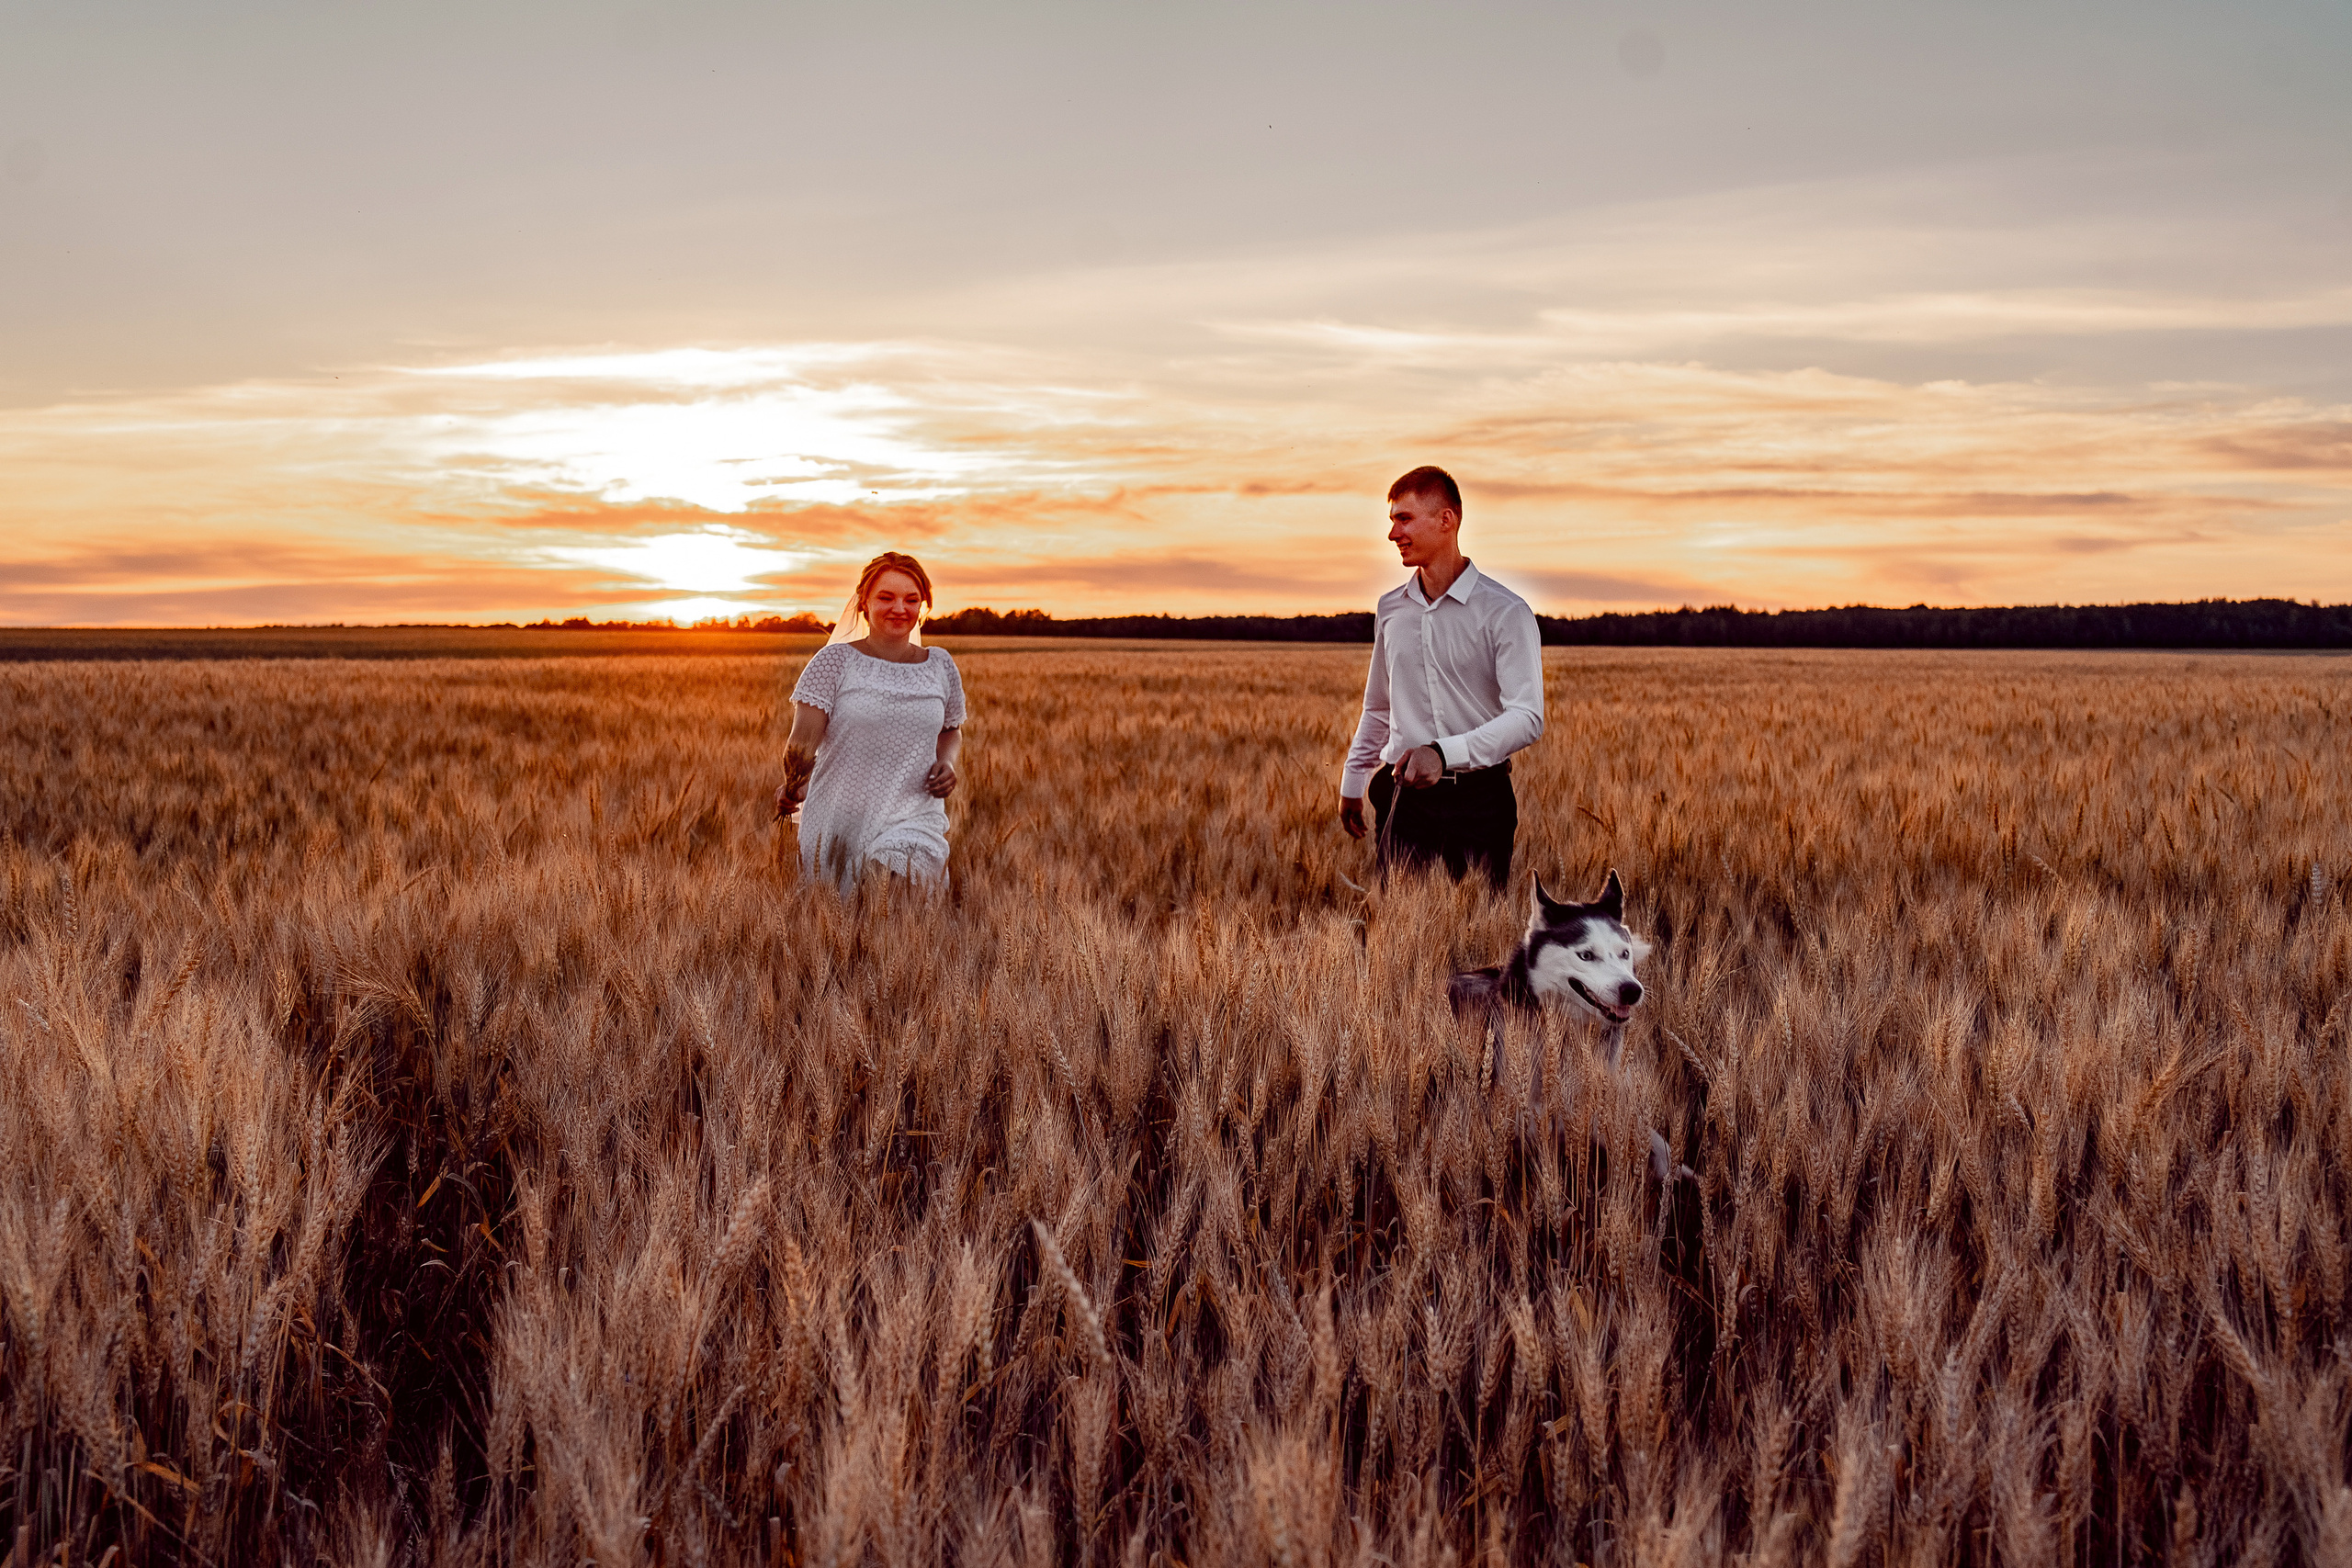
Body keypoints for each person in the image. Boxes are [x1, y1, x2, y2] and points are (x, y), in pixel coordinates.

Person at [1339, 467, 1544, 888]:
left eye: (1405, 518)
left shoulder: (1505, 612)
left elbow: (1527, 716)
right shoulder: (1391, 609)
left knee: (1477, 937)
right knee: (1398, 934)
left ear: (1446, 520)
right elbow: (1380, 705)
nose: (1393, 533)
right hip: (1405, 799)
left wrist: (1443, 753)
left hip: (1480, 801)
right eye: (1392, 520)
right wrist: (1354, 779)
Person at [775, 552, 967, 889]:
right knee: (847, 927)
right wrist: (794, 784)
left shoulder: (941, 665)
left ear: (923, 605)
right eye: (886, 597)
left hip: (915, 813)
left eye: (912, 599)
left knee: (894, 888)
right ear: (864, 602)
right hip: (839, 819)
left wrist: (948, 763)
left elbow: (951, 731)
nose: (900, 608)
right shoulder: (833, 662)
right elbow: (802, 743)